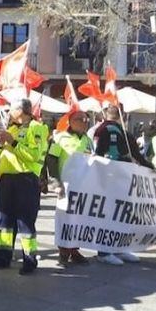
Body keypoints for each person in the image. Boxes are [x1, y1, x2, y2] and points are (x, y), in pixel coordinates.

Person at [0, 98, 48, 275]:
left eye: (11, 109)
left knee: (25, 221)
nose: (8, 113)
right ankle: (1, 257)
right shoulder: (11, 128)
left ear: (21, 111)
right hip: (5, 178)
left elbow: (34, 155)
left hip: (25, 179)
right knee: (2, 220)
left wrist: (13, 142)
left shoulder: (37, 128)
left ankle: (29, 260)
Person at [93, 105, 154, 265]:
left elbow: (135, 153)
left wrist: (150, 168)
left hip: (122, 177)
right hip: (109, 177)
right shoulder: (103, 130)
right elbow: (98, 154)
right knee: (109, 214)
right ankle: (104, 251)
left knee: (122, 213)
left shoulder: (122, 133)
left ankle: (119, 246)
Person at [45, 110, 92, 266]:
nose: (85, 122)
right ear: (71, 122)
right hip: (66, 185)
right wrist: (54, 181)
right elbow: (51, 159)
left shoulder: (87, 139)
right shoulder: (59, 138)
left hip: (82, 185)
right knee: (65, 218)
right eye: (81, 119)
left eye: (86, 119)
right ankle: (63, 251)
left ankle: (74, 250)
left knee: (79, 218)